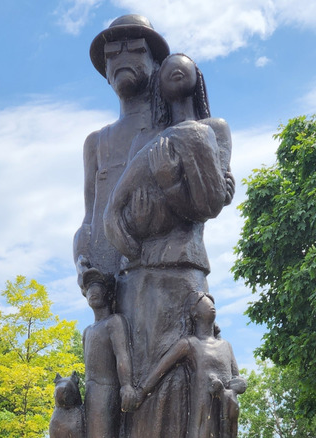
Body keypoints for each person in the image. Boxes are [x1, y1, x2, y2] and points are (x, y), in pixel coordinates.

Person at [103, 53, 235, 437]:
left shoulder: (213, 129)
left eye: (184, 62)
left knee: (185, 370)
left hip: (185, 266)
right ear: (158, 83)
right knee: (146, 365)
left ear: (197, 76)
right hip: (140, 274)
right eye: (168, 66)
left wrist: (170, 184)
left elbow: (209, 204)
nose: (176, 66)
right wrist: (153, 209)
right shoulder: (145, 140)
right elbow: (129, 209)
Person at [73, 14, 170, 288]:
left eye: (136, 48)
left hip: (164, 274)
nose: (122, 58)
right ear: (106, 73)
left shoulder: (172, 131)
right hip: (111, 284)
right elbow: (89, 218)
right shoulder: (96, 143)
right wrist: (81, 256)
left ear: (156, 63)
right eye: (112, 54)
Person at [133, 292, 247, 438]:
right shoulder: (189, 344)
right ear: (194, 313)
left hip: (224, 410)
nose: (210, 305)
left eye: (211, 301)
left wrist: (237, 385)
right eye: (202, 301)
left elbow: (237, 378)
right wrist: (140, 393)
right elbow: (159, 370)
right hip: (202, 408)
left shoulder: (226, 346)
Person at [80, 267, 138, 438]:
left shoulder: (114, 322)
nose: (92, 292)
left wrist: (126, 385)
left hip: (107, 391)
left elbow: (122, 354)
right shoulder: (87, 331)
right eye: (89, 288)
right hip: (90, 392)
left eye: (98, 287)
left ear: (109, 294)